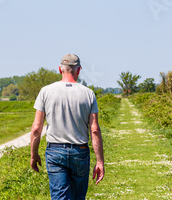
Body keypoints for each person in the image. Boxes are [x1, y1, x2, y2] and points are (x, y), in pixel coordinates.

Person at [30, 54, 105, 199]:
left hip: (55, 151)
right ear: (79, 70)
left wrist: (34, 155)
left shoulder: (45, 91)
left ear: (60, 69)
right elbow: (94, 130)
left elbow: (36, 129)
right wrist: (100, 161)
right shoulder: (88, 94)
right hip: (80, 151)